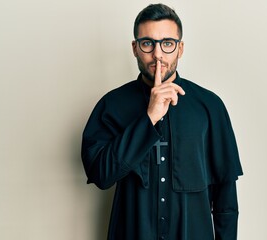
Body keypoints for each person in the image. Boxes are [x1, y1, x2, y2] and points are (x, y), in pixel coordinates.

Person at [81, 3, 243, 240]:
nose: (157, 54)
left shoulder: (210, 106)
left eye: (167, 43)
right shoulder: (111, 105)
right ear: (135, 48)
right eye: (148, 43)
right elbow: (101, 176)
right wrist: (149, 118)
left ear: (180, 48)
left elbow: (226, 199)